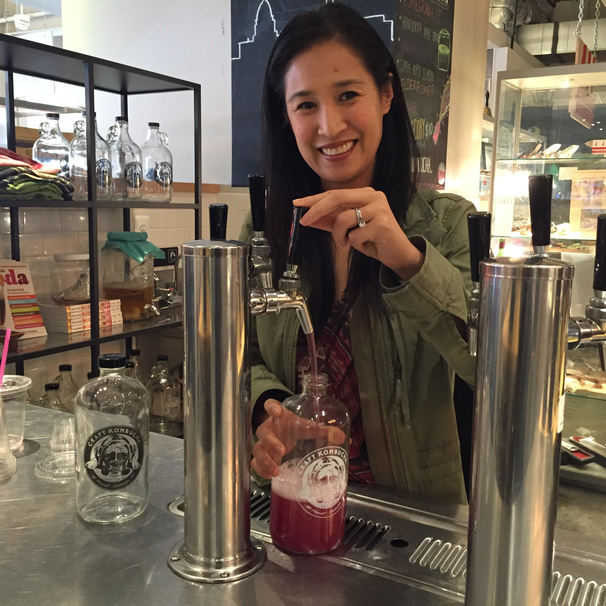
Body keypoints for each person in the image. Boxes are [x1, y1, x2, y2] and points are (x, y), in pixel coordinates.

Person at [240, 3, 476, 504]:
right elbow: (244, 355)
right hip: (294, 494)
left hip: (410, 508)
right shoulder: (265, 230)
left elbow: (485, 365)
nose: (329, 126)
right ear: (285, 116)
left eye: (348, 95)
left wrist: (408, 261)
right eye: (306, 105)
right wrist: (272, 410)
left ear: (386, 94)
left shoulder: (448, 223)